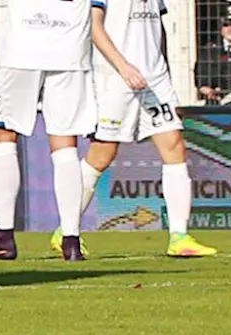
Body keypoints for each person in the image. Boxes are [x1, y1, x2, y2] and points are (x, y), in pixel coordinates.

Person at [0, 0, 144, 262]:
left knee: (3, 133)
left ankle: (4, 236)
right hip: (71, 47)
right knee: (65, 143)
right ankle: (71, 240)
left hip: (24, 45)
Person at [71, 0, 217, 257]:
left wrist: (167, 80)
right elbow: (93, 27)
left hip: (155, 80)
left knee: (174, 146)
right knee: (102, 154)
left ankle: (179, 236)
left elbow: (157, 32)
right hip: (115, 78)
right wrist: (123, 66)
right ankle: (66, 227)